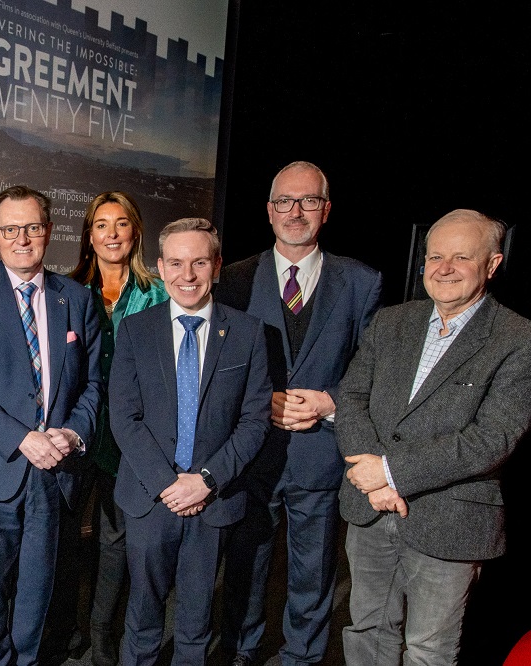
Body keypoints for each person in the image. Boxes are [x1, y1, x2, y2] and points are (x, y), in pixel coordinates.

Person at [337, 209, 531, 665]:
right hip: (368, 510)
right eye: (435, 256)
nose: (443, 268)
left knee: (429, 650)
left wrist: (388, 473)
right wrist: (372, 479)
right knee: (365, 629)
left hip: (452, 519)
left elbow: (494, 438)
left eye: (461, 257)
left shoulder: (518, 338)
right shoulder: (391, 322)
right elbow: (351, 398)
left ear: (493, 264)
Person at [215, 160, 382, 666]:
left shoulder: (361, 282)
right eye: (285, 201)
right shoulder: (234, 279)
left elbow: (372, 368)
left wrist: (331, 401)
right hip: (253, 452)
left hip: (320, 456)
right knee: (245, 562)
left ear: (325, 211)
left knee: (314, 570)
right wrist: (256, 400)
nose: (296, 211)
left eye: (308, 201)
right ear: (269, 211)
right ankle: (241, 651)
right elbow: (220, 367)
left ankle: (302, 657)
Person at [0, 185, 103, 665]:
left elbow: (94, 384)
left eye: (32, 227)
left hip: (54, 473)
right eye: (11, 229)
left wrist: (72, 434)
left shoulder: (76, 298)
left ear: (48, 231)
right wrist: (23, 438)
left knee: (37, 591)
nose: (22, 238)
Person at [110, 218, 272, 666]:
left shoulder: (247, 333)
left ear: (217, 265)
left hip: (213, 500)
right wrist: (169, 484)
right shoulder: (136, 330)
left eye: (199, 262)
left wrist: (205, 481)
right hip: (150, 498)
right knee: (142, 619)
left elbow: (254, 422)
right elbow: (125, 418)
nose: (188, 275)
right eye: (177, 263)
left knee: (197, 623)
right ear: (160, 267)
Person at [45, 191, 168, 666]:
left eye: (121, 224)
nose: (111, 233)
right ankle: (63, 632)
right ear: (89, 234)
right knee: (64, 539)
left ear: (135, 232)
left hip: (131, 440)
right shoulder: (67, 291)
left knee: (115, 544)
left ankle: (102, 640)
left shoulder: (158, 291)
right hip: (76, 435)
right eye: (101, 224)